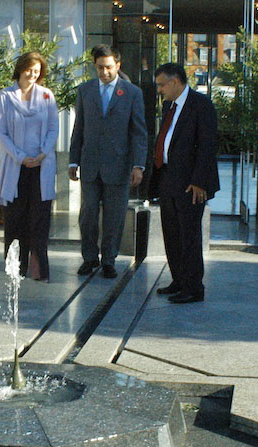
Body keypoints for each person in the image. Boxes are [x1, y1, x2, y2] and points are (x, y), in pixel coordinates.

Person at [69, 44, 147, 279]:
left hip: (119, 165)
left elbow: (138, 132)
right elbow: (78, 128)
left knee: (114, 216)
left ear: (118, 66)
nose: (104, 72)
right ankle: (89, 258)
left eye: (109, 67)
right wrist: (73, 162)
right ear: (95, 67)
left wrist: (138, 165)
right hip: (91, 164)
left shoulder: (132, 93)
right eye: (100, 68)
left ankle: (109, 259)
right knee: (88, 214)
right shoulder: (85, 91)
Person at [149, 63, 219, 303]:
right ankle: (178, 279)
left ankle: (193, 287)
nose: (159, 89)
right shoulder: (169, 106)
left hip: (190, 183)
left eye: (161, 84)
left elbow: (208, 146)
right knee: (172, 234)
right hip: (168, 178)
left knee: (189, 235)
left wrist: (199, 182)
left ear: (175, 82)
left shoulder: (201, 105)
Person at [0, 52, 59, 281]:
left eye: (37, 70)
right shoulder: (4, 97)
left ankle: (39, 271)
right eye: (29, 69)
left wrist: (42, 153)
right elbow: (0, 133)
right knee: (14, 220)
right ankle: (14, 270)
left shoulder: (47, 97)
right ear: (20, 69)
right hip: (15, 166)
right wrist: (20, 157)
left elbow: (53, 128)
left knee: (39, 220)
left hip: (41, 166)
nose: (32, 74)